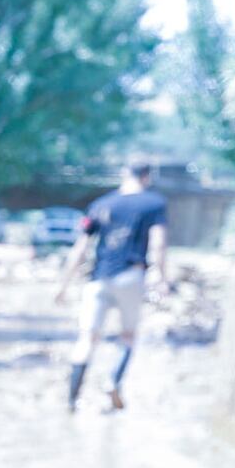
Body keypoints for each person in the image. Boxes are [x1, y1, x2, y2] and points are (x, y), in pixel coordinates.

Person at [71, 167, 170, 412]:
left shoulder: (101, 204)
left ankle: (72, 400)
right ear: (146, 177)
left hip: (99, 278)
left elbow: (81, 248)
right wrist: (161, 277)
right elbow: (158, 243)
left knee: (87, 338)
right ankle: (113, 380)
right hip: (131, 276)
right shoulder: (154, 203)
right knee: (128, 335)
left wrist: (63, 285)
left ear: (124, 174)